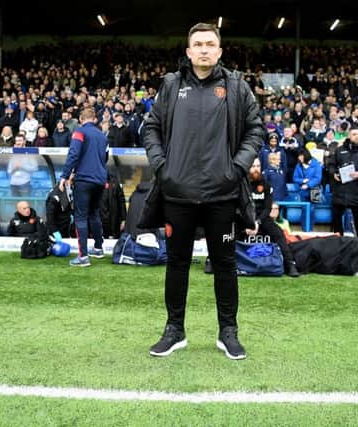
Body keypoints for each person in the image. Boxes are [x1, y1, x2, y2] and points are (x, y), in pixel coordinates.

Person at [143, 23, 263, 360]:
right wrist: (162, 167)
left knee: (224, 263)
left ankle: (228, 332)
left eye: (211, 44)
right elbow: (151, 127)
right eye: (198, 44)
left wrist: (236, 168)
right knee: (176, 263)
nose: (205, 49)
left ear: (220, 51)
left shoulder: (236, 86)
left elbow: (255, 130)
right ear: (189, 51)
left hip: (222, 196)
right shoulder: (170, 85)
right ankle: (174, 330)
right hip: (177, 194)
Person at [59, 107, 108, 267]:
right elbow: (105, 157)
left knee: (80, 216)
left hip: (84, 179)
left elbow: (73, 154)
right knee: (94, 214)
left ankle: (83, 256)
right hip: (100, 179)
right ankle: (99, 248)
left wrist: (65, 175)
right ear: (94, 119)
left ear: (81, 119)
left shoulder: (79, 132)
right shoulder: (102, 135)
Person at [244, 158, 300, 276]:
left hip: (262, 219)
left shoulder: (266, 184)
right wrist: (249, 222)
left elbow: (267, 208)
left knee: (278, 233)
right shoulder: (242, 184)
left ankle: (290, 264)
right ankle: (212, 261)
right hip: (245, 218)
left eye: (258, 166)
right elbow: (239, 207)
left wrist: (257, 222)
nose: (256, 169)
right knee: (226, 231)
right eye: (253, 166)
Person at [328, 125, 358, 246]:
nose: (357, 136)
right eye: (354, 134)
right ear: (349, 135)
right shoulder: (340, 150)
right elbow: (331, 165)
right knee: (337, 220)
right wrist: (334, 174)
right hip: (341, 191)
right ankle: (338, 246)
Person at [100, 173, 127, 239]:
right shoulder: (96, 184)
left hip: (114, 222)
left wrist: (124, 219)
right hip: (101, 221)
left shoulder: (115, 184)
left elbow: (121, 202)